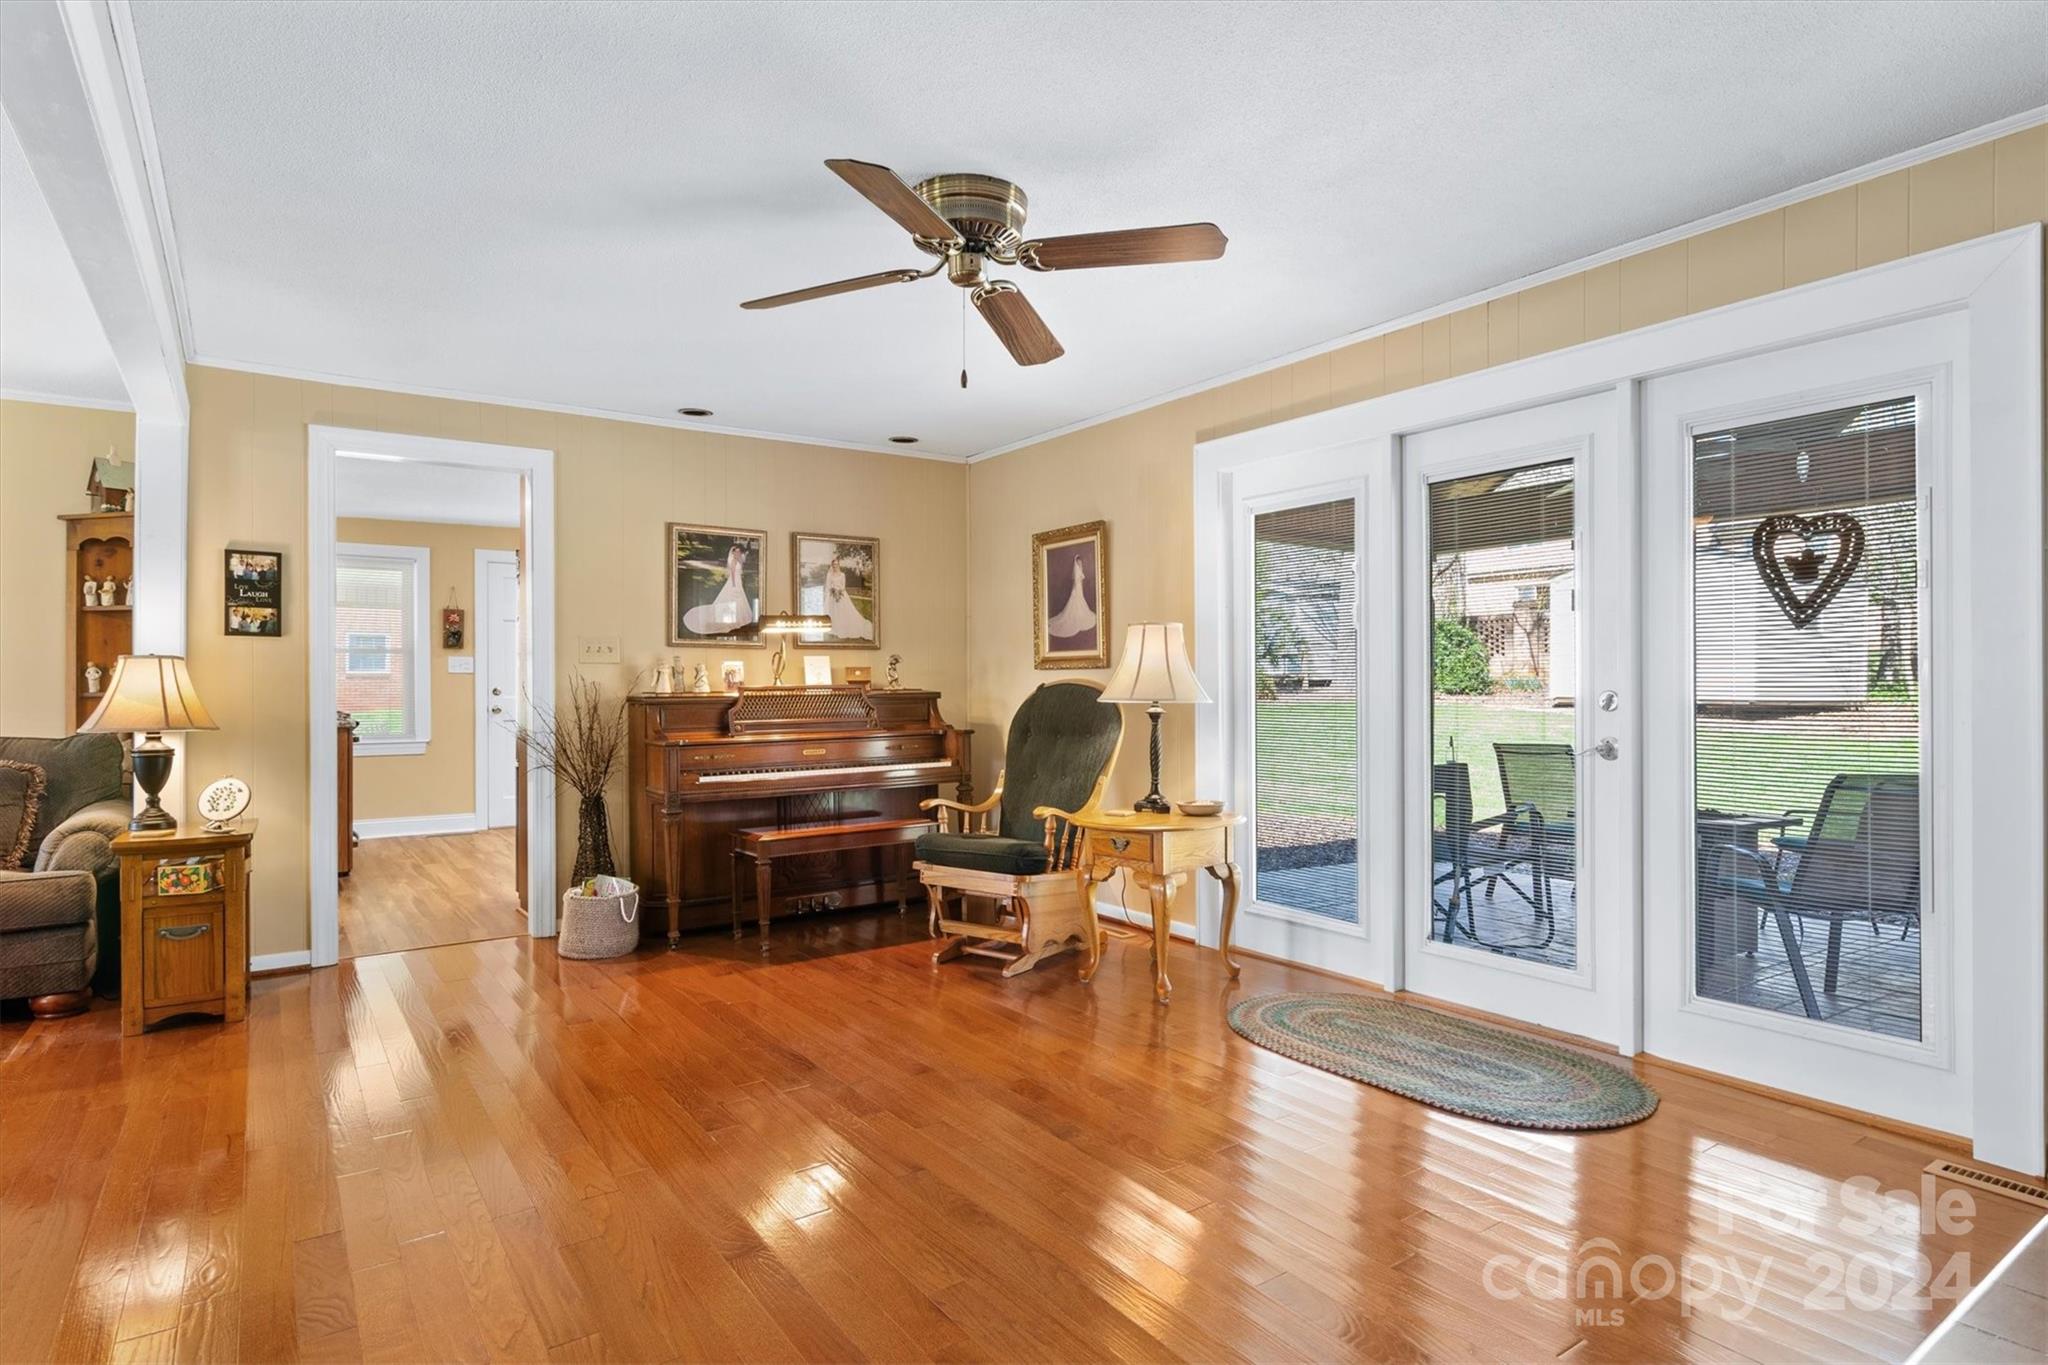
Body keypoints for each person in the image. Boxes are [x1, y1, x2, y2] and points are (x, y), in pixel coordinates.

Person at [682, 542, 755, 636]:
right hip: (734, 581)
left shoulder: (738, 560)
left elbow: (741, 564)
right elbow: (732, 574)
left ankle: (738, 618)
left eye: (738, 552)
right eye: (735, 552)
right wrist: (733, 585)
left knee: (739, 598)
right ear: (733, 553)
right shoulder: (733, 561)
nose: (737, 553)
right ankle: (730, 619)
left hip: (738, 580)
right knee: (733, 598)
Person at [1045, 554, 1097, 639]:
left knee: (1080, 601)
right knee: (1075, 602)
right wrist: (1075, 590)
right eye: (1079, 563)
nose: (1080, 564)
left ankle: (1079, 615)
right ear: (1077, 563)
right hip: (1077, 588)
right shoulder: (1077, 570)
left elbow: (1079, 580)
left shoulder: (1079, 569)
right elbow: (1076, 581)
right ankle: (1075, 616)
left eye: (1080, 563)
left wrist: (1079, 588)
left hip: (1079, 588)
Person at [824, 559, 874, 640]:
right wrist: (833, 590)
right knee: (833, 610)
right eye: (834, 564)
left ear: (838, 565)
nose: (835, 566)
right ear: (832, 565)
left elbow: (843, 586)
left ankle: (843, 625)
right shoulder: (829, 574)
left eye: (836, 564)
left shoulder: (842, 575)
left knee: (843, 610)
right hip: (832, 595)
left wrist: (838, 591)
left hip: (841, 594)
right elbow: (828, 585)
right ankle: (835, 626)